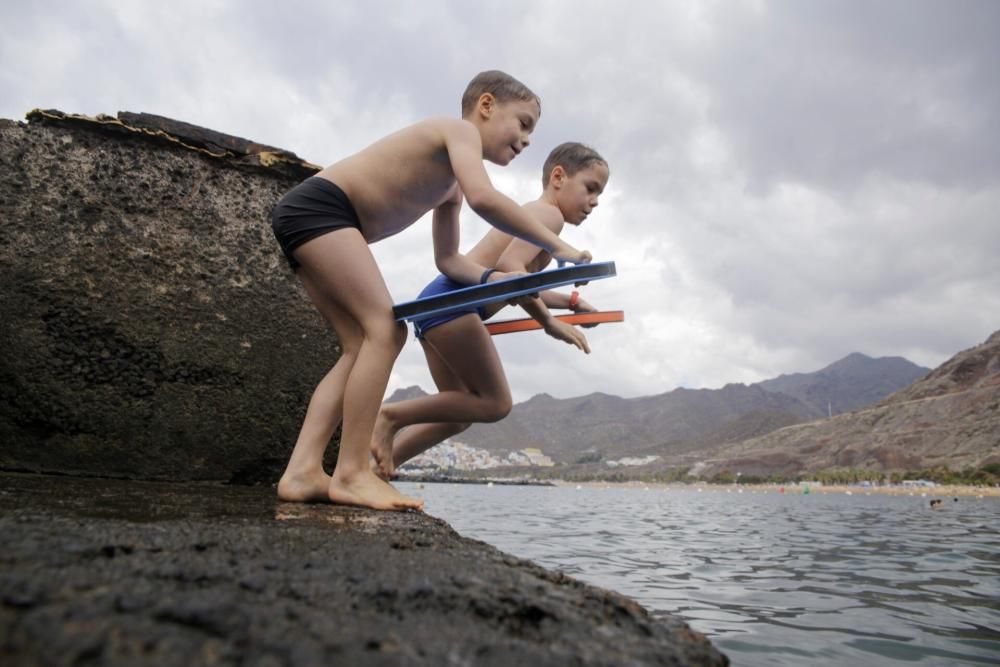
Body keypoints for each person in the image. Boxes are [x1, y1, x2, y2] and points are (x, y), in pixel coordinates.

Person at [271, 71, 591, 511]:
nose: (527, 140)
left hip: (310, 216)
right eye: (523, 123)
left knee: (356, 347)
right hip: (324, 209)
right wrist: (558, 246)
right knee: (386, 330)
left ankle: (303, 470)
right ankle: (350, 473)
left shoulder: (451, 188)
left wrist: (491, 281)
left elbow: (449, 261)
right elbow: (486, 198)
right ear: (485, 106)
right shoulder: (456, 132)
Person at [372, 142, 610, 478]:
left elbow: (522, 281)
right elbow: (511, 269)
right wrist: (549, 323)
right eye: (590, 188)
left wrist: (572, 302)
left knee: (457, 415)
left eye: (599, 194)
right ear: (559, 176)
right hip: (455, 304)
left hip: (438, 303)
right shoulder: (549, 215)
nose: (595, 201)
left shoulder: (538, 216)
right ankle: (389, 416)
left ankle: (377, 468)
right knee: (496, 403)